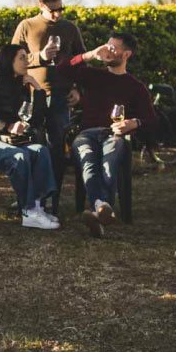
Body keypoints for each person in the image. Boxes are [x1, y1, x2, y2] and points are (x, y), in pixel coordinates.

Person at [55, 33, 157, 237]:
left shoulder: (136, 87)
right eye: (107, 46)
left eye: (114, 48)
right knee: (89, 162)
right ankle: (102, 208)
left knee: (109, 160)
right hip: (86, 134)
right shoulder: (94, 75)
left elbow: (153, 122)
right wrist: (90, 54)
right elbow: (62, 70)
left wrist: (133, 123)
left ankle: (97, 210)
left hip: (114, 135)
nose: (108, 51)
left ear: (126, 54)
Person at [0, 43, 60, 230]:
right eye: (21, 57)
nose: (26, 61)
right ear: (8, 59)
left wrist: (37, 88)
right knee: (19, 156)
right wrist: (8, 126)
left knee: (40, 151)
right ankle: (28, 212)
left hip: (7, 139)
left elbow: (36, 118)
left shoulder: (21, 83)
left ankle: (37, 207)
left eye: (27, 57)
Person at [12, 0, 86, 192]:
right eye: (53, 10)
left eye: (61, 9)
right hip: (32, 96)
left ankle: (52, 193)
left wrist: (78, 88)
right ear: (41, 6)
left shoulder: (70, 28)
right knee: (30, 144)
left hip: (61, 95)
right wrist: (40, 57)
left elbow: (81, 61)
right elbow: (13, 60)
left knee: (57, 146)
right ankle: (29, 192)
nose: (57, 14)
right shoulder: (26, 26)